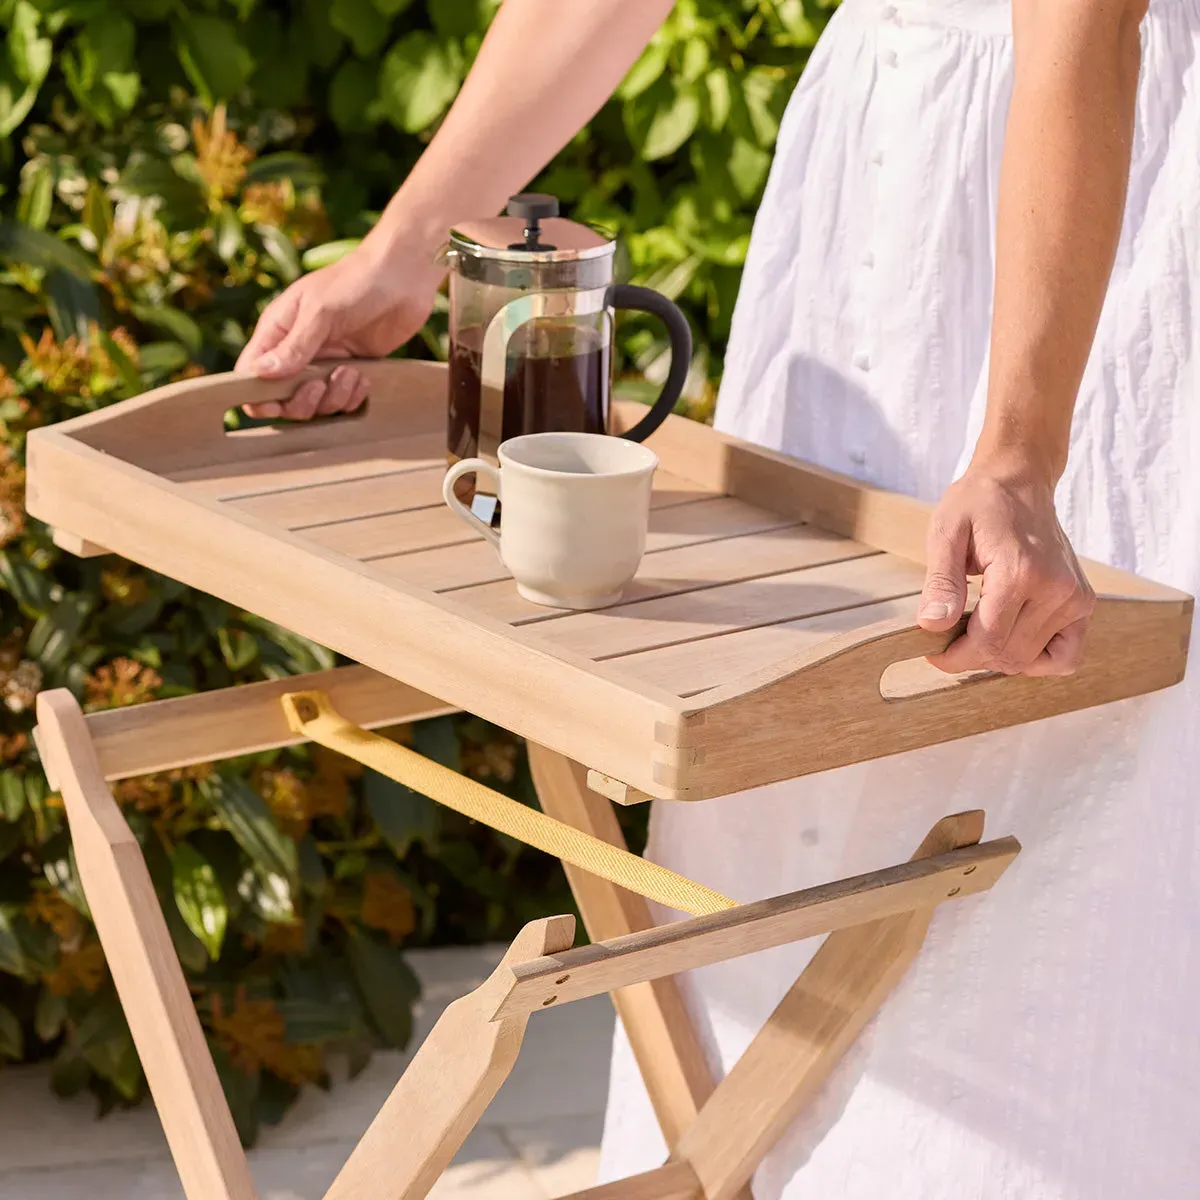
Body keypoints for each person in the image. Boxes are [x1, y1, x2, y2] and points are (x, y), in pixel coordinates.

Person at [237, 1, 1200, 1195]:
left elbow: (1083, 33)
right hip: (881, 198)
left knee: (1074, 781)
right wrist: (402, 254)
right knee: (801, 772)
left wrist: (1020, 447)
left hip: (1106, 211)